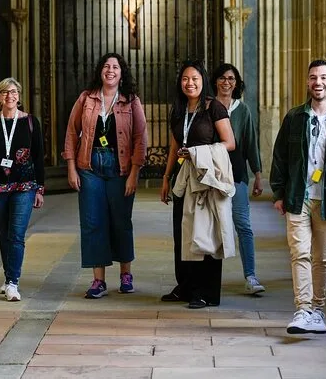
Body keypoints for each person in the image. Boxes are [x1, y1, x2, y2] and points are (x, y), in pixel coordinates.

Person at [270, 59, 326, 334]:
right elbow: (280, 157)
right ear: (307, 82)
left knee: (322, 258)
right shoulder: (294, 118)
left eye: (323, 77)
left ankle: (318, 311)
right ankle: (303, 310)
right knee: (300, 254)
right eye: (313, 77)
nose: (317, 82)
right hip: (298, 196)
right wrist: (279, 193)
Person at [63, 53, 147, 299]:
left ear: (122, 73)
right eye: (106, 66)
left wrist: (134, 173)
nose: (110, 70)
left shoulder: (131, 101)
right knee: (93, 223)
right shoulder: (86, 98)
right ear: (100, 71)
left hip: (120, 169)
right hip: (89, 168)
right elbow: (71, 132)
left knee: (121, 221)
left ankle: (126, 275)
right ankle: (98, 281)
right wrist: (71, 167)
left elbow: (140, 138)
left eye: (115, 67)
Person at [160, 60, 236, 309]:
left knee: (206, 234)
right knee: (182, 232)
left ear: (203, 81)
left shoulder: (214, 107)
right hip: (183, 178)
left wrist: (197, 152)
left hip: (205, 178)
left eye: (194, 79)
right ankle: (185, 286)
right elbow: (174, 145)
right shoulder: (179, 109)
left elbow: (230, 143)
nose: (189, 83)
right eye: (185, 79)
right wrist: (166, 177)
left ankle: (206, 292)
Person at [0, 77, 45, 302]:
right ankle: (8, 278)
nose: (10, 96)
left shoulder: (30, 122)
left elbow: (38, 157)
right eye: (5, 92)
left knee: (16, 234)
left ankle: (13, 282)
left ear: (19, 96)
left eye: (14, 92)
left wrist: (40, 189)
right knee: (4, 234)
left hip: (24, 186)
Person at [211, 63, 266, 295]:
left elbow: (251, 143)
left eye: (231, 78)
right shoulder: (208, 107)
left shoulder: (242, 110)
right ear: (215, 81)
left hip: (237, 175)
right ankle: (209, 281)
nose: (226, 82)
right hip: (212, 176)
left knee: (243, 225)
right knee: (212, 228)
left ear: (236, 83)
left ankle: (250, 276)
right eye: (222, 78)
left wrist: (258, 175)